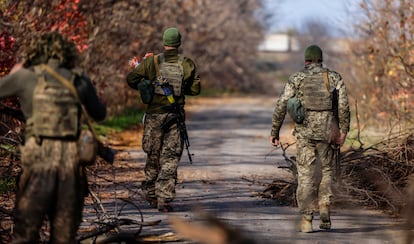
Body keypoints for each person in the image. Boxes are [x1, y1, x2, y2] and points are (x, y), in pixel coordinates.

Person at [0, 32, 106, 243]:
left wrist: (14, 75)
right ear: (67, 54)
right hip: (71, 165)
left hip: (38, 162)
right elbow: (99, 113)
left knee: (25, 233)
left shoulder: (26, 76)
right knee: (64, 236)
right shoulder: (78, 78)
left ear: (37, 52)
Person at [269, 44, 350, 233]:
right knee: (328, 171)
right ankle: (324, 208)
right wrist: (343, 131)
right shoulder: (334, 77)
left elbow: (282, 104)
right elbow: (344, 106)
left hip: (305, 133)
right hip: (329, 132)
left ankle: (306, 219)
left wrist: (275, 131)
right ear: (321, 59)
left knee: (305, 174)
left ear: (306, 60)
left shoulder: (297, 78)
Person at [127, 27, 201, 212]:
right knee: (170, 157)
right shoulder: (187, 64)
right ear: (179, 43)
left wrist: (146, 83)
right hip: (175, 116)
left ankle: (151, 193)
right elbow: (195, 90)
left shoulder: (152, 62)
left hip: (154, 117)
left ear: (164, 42)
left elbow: (131, 79)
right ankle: (164, 199)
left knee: (153, 154)